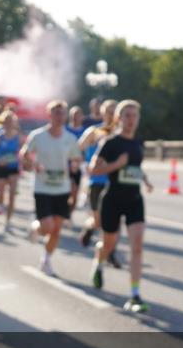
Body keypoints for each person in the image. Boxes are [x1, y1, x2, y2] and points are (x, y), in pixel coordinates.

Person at [88, 100, 154, 312]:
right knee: (108, 244)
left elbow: (135, 166)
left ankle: (135, 294)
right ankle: (98, 264)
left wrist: (145, 179)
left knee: (137, 246)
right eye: (127, 115)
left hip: (134, 200)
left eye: (134, 115)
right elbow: (93, 170)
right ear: (118, 118)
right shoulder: (110, 143)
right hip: (113, 199)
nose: (131, 120)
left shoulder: (139, 142)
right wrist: (116, 165)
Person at [18, 100, 83, 274]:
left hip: (62, 188)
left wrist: (74, 166)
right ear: (49, 115)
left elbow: (77, 158)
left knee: (56, 229)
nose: (59, 116)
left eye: (62, 113)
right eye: (56, 113)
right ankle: (36, 227)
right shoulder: (38, 136)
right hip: (42, 187)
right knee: (47, 226)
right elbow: (25, 154)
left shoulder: (70, 139)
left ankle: (46, 260)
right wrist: (33, 164)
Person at [77, 99, 118, 256]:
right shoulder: (94, 131)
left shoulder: (120, 134)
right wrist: (83, 163)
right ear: (102, 113)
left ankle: (110, 252)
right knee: (98, 219)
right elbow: (77, 148)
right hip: (96, 181)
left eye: (114, 111)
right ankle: (89, 229)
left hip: (115, 181)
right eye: (108, 111)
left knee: (114, 220)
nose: (111, 114)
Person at [65, 105, 87, 222]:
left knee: (75, 193)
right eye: (73, 115)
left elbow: (86, 149)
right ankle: (64, 211)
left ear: (82, 117)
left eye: (78, 115)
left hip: (79, 165)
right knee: (67, 190)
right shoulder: (65, 130)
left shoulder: (85, 131)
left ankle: (69, 214)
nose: (75, 118)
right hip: (65, 164)